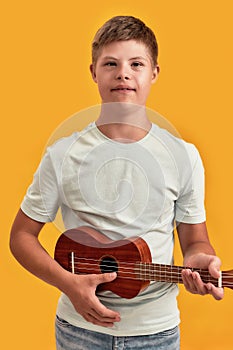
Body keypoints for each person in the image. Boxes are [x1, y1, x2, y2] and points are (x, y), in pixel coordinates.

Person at [10, 15, 224, 350]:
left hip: (157, 332)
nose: (123, 73)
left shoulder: (184, 155)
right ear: (94, 72)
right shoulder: (62, 154)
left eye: (136, 63)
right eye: (111, 63)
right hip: (78, 330)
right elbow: (21, 236)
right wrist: (68, 284)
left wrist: (201, 260)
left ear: (153, 73)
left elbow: (195, 242)